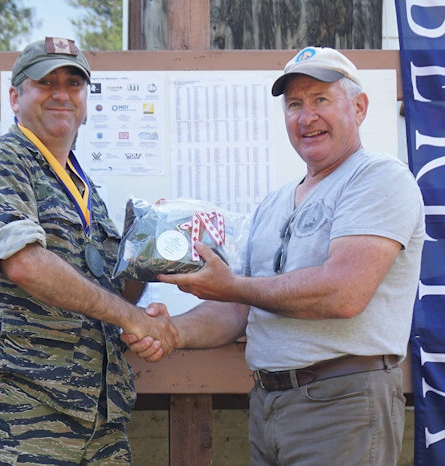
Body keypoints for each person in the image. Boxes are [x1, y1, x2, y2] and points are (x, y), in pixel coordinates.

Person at [123, 46, 425, 465]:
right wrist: (171, 331)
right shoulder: (274, 202)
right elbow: (236, 309)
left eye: (321, 99)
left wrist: (233, 286)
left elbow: (343, 293)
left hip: (343, 403)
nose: (307, 116)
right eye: (294, 104)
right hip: (267, 405)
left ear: (358, 107)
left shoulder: (378, 178)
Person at [0, 37, 178, 465]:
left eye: (74, 84)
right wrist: (132, 319)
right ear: (16, 96)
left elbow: (110, 295)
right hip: (21, 414)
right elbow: (24, 264)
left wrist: (145, 256)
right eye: (45, 82)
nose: (61, 94)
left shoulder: (85, 188)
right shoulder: (1, 161)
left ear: (86, 101)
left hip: (99, 419)